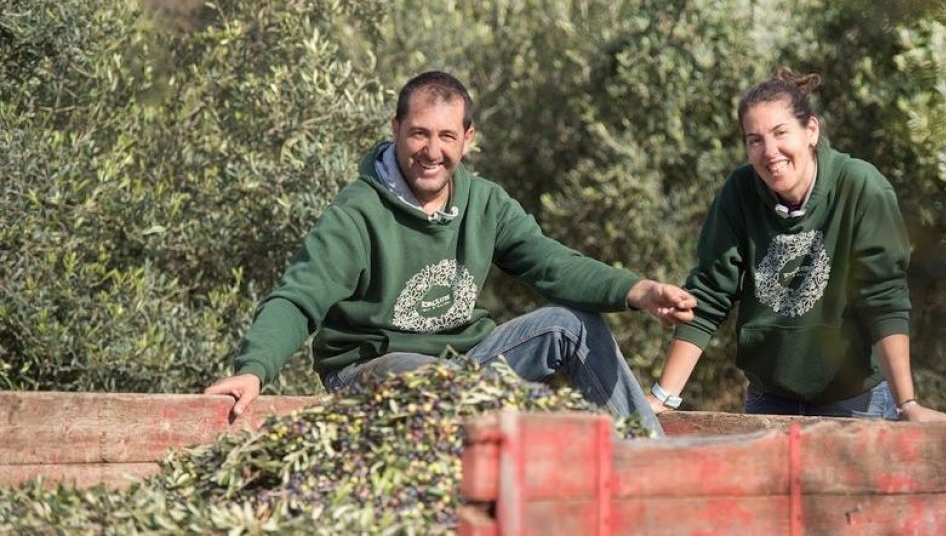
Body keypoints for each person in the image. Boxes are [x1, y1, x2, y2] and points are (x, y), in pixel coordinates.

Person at [205, 70, 695, 436]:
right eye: (419, 133)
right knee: (427, 377)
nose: (431, 150)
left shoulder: (485, 203)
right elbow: (299, 297)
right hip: (372, 370)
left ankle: (651, 464)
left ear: (467, 139)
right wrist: (253, 370)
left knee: (572, 324)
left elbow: (553, 264)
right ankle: (546, 444)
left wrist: (636, 290)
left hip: (466, 367)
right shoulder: (358, 213)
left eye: (445, 136)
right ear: (396, 128)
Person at [646, 70, 946, 423]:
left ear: (811, 130)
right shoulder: (739, 193)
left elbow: (883, 297)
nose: (770, 151)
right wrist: (663, 397)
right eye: (755, 140)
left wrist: (909, 406)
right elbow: (708, 295)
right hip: (770, 399)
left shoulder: (860, 187)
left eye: (781, 133)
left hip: (857, 401)